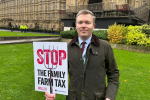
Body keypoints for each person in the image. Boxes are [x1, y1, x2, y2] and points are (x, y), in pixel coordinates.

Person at [45, 10, 119, 100]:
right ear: (76, 25)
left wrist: (110, 97)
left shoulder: (105, 46)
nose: (83, 26)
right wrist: (51, 90)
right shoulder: (67, 48)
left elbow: (113, 74)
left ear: (93, 26)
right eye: (80, 22)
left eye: (87, 22)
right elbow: (58, 74)